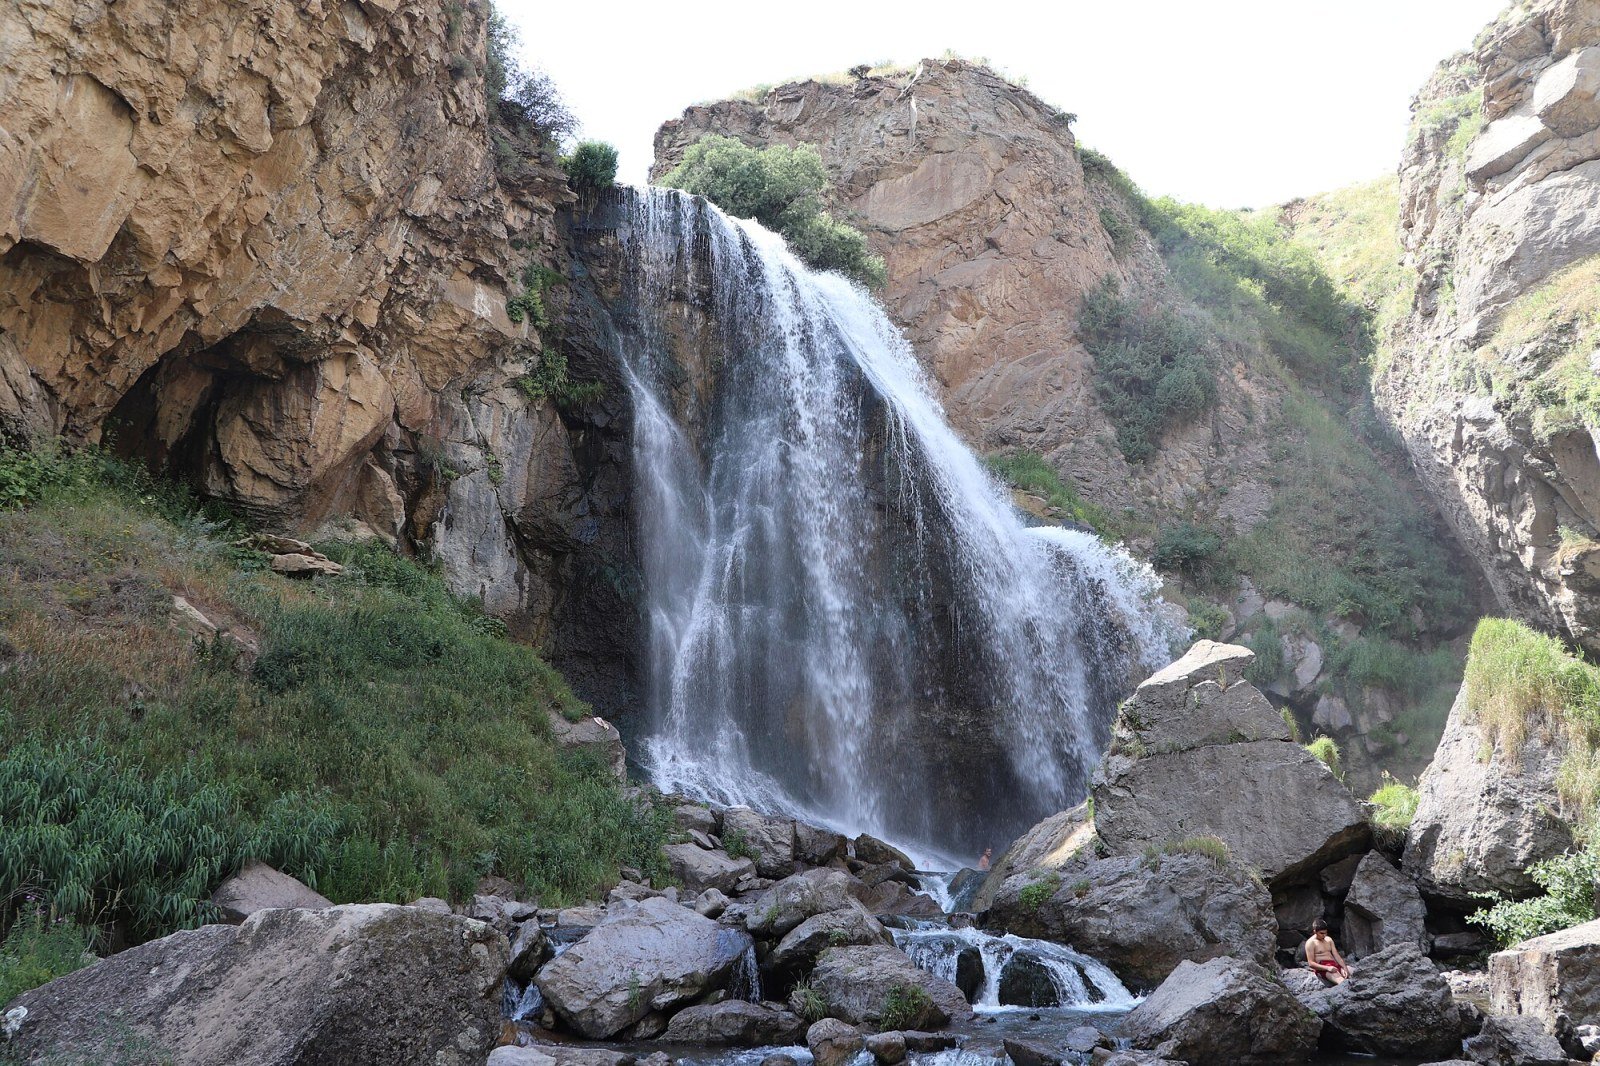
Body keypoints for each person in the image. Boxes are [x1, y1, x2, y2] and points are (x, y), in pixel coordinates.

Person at [1305, 918, 1350, 984]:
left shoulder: (1328, 939)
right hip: (1323, 968)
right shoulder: (1310, 943)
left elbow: (1336, 956)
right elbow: (1311, 963)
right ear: (1315, 931)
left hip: (1334, 965)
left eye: (1326, 933)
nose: (1324, 935)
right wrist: (1327, 968)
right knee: (1342, 981)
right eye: (1321, 933)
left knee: (1356, 972)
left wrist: (1344, 968)